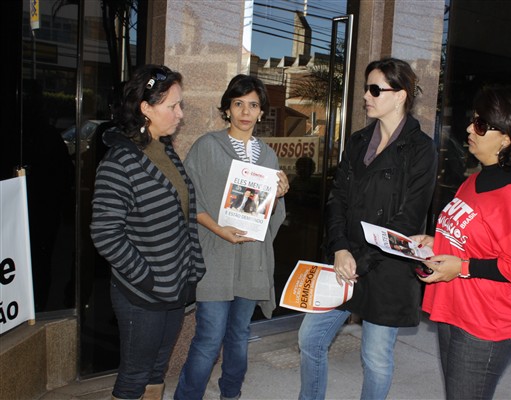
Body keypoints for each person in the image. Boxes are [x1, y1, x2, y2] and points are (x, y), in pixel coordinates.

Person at [298, 58, 438, 400]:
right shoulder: (359, 141)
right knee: (310, 339)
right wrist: (340, 248)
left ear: (400, 95)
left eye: (375, 89)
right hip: (344, 260)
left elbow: (408, 219)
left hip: (387, 268)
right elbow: (337, 198)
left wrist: (359, 261)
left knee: (375, 358)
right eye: (366, 88)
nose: (366, 96)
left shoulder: (421, 150)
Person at [412, 84, 511, 400]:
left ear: (507, 138)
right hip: (457, 311)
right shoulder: (475, 181)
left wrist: (462, 267)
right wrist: (436, 241)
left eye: (481, 124)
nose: (470, 129)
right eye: (473, 120)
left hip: (485, 325)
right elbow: (471, 239)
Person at [90, 64, 205, 400]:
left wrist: (190, 270)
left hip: (173, 288)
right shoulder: (119, 162)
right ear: (146, 108)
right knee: (135, 375)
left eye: (180, 105)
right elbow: (105, 233)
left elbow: (184, 215)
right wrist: (147, 277)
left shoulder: (164, 150)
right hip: (141, 294)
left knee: (157, 370)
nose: (180, 114)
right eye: (173, 106)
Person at [175, 74, 289, 400]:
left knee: (239, 335)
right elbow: (188, 200)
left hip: (252, 260)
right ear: (227, 109)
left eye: (253, 105)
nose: (245, 112)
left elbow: (270, 217)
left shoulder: (268, 156)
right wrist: (218, 229)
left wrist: (279, 195)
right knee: (209, 338)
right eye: (238, 103)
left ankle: (231, 394)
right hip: (215, 257)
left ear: (262, 112)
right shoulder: (207, 147)